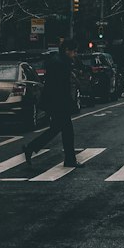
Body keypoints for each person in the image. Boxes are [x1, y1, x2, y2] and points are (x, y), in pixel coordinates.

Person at [23, 38, 79, 166]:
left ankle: (31, 148)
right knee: (66, 131)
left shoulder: (59, 61)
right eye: (74, 51)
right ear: (67, 50)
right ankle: (69, 160)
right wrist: (68, 103)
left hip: (56, 103)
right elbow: (59, 86)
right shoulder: (60, 63)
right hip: (58, 103)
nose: (75, 54)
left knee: (57, 130)